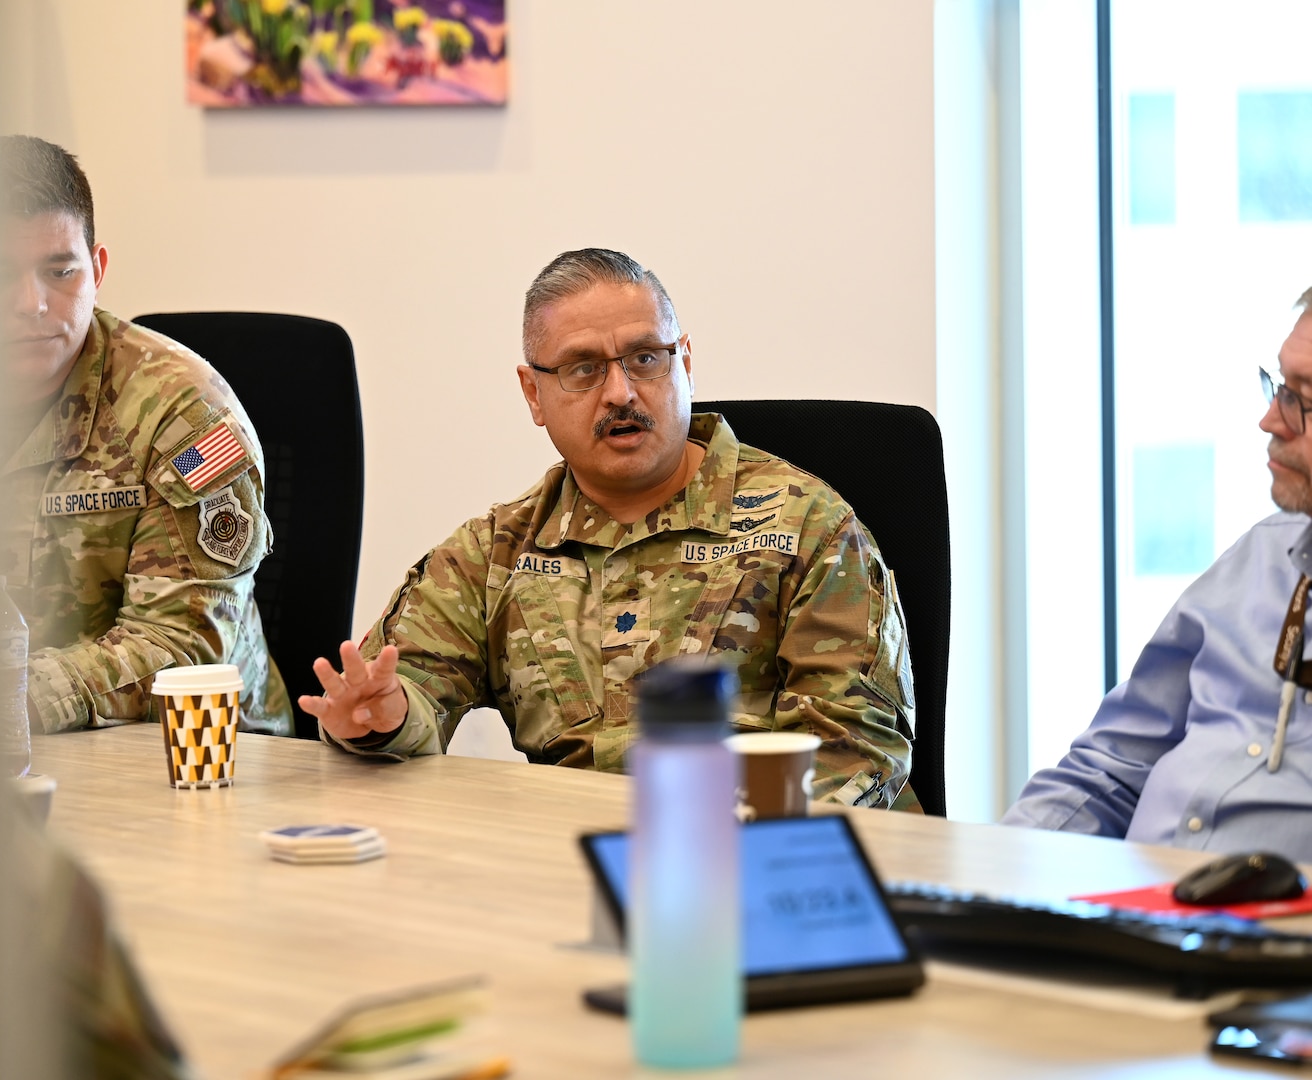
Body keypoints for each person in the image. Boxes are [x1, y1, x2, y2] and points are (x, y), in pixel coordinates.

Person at [301, 249, 917, 808]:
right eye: (583, 369)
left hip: (766, 869)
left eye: (646, 358)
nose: (621, 392)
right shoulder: (497, 553)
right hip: (572, 870)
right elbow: (406, 692)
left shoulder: (808, 527)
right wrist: (381, 718)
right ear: (533, 394)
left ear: (686, 363)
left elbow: (855, 753)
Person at [0, 135, 290, 735]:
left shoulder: (184, 415)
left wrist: (5, 702)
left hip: (196, 757)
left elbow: (183, 646)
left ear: (98, 270)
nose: (32, 303)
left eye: (60, 272)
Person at [1004, 289, 1312, 860]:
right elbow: (1108, 772)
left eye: (1304, 402)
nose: (1270, 419)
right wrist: (993, 874)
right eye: (1279, 388)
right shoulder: (1257, 562)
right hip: (1132, 914)